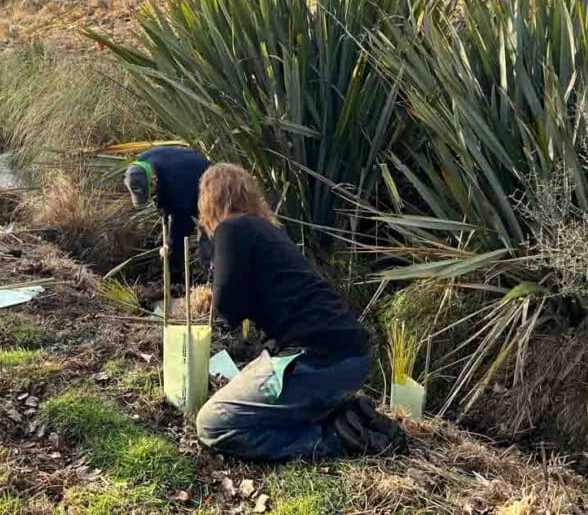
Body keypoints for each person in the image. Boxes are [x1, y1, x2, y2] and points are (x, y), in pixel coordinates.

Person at [194, 163, 406, 462]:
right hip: (348, 357)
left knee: (212, 424)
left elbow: (228, 311)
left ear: (209, 202)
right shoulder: (266, 231)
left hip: (316, 360)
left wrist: (211, 279)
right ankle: (338, 412)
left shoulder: (232, 228)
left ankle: (339, 438)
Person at [124, 145, 211, 284]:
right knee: (174, 246)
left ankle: (212, 285)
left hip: (209, 188)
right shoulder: (141, 166)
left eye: (150, 191)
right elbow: (161, 195)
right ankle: (175, 281)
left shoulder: (177, 184)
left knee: (207, 241)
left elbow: (182, 223)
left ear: (154, 181)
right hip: (182, 178)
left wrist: (170, 245)